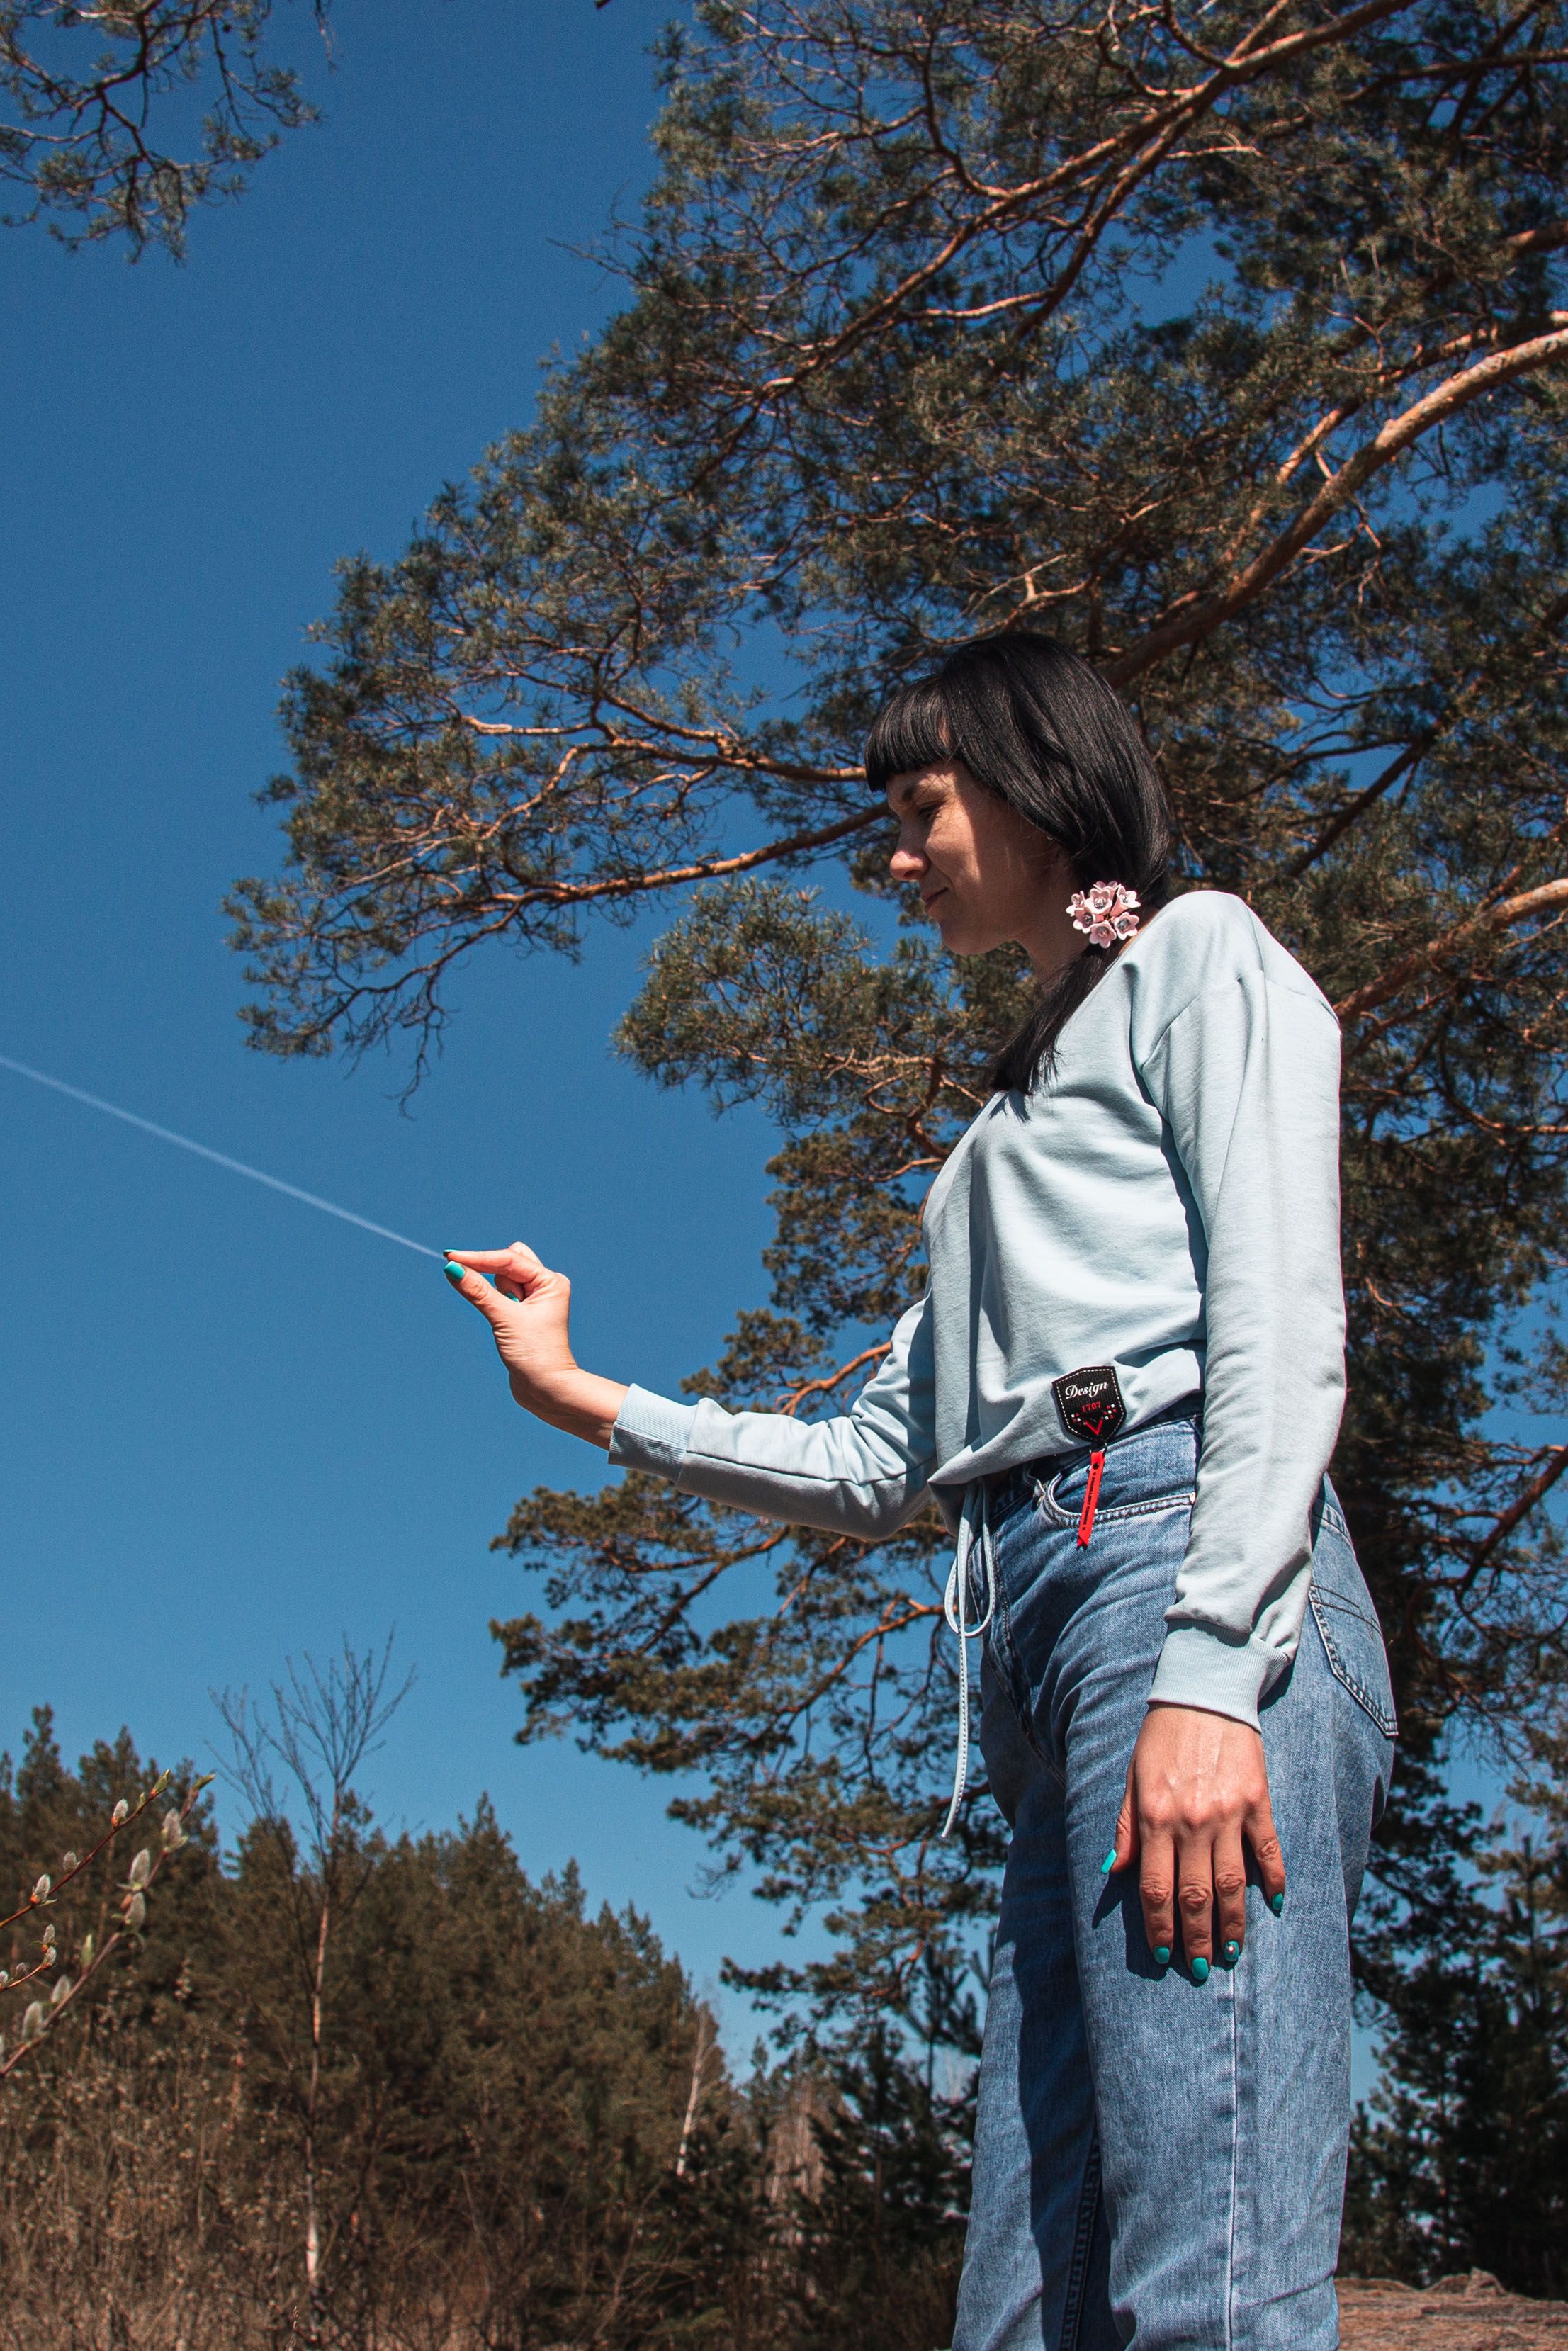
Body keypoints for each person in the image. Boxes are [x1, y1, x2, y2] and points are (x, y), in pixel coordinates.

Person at [441, 629, 1392, 2350]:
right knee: (1019, 2307)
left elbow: (1279, 1317)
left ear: (1037, 783)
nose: (893, 859)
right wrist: (588, 1400)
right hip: (1032, 1635)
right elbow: (878, 1462)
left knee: (1207, 2263)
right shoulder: (992, 1139)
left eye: (919, 809)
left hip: (1176, 1573)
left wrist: (1206, 1665)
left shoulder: (1200, 956)